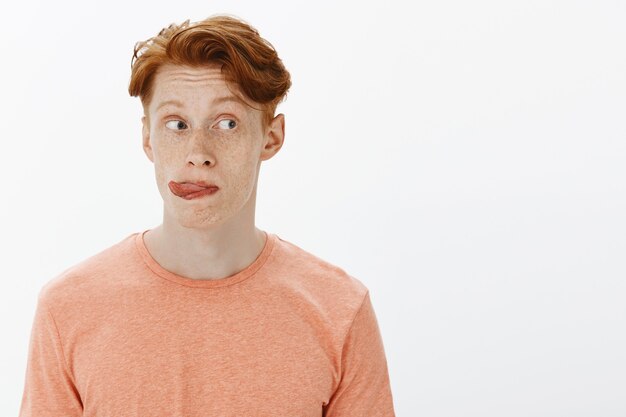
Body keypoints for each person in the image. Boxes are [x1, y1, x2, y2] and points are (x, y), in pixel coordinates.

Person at [18, 14, 396, 416]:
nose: (198, 152)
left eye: (227, 123)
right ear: (148, 137)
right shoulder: (69, 308)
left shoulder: (339, 310)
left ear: (271, 137)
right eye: (177, 124)